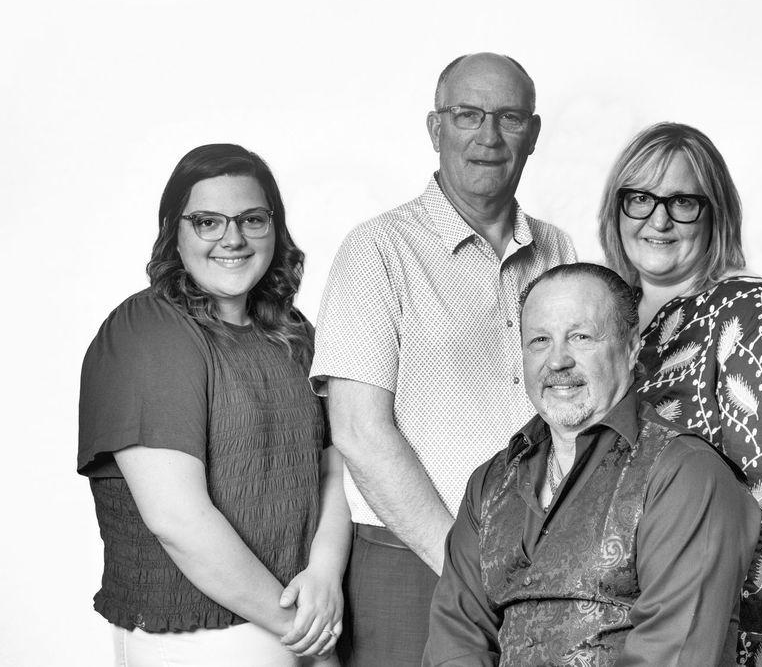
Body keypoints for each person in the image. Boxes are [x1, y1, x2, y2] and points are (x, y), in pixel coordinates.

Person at [310, 52, 575, 665]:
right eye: (467, 115)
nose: (487, 136)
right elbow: (358, 431)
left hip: (545, 565)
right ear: (435, 129)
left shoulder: (557, 249)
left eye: (509, 118)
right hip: (412, 561)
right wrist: (466, 566)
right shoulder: (376, 249)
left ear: (532, 136)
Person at [78, 143, 351, 666]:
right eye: (207, 221)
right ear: (173, 233)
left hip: (300, 622)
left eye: (252, 219)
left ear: (275, 228)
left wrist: (323, 572)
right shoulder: (147, 332)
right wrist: (301, 628)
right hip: (198, 637)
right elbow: (177, 519)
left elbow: (336, 464)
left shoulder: (292, 334)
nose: (232, 237)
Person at [423, 263, 761, 666]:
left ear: (632, 346)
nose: (557, 361)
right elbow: (456, 641)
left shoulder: (686, 474)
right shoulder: (489, 484)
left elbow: (674, 655)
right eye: (540, 340)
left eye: (581, 337)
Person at [597, 122, 762, 665]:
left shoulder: (752, 317)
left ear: (716, 212)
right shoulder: (616, 315)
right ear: (617, 209)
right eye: (640, 199)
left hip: (714, 643)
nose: (658, 219)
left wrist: (741, 649)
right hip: (635, 634)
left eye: (682, 202)